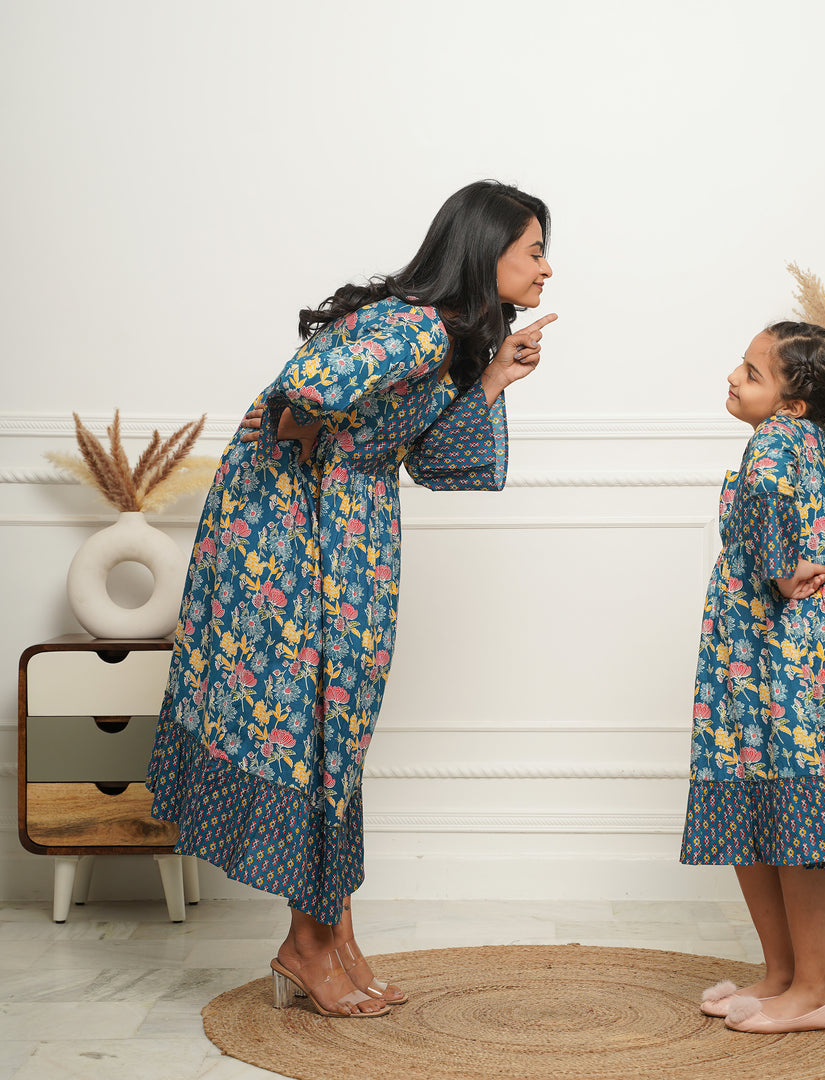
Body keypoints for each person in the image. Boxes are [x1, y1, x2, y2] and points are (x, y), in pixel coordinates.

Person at [146, 181, 556, 1017]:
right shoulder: (410, 327)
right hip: (292, 535)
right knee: (316, 727)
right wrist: (300, 426)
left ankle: (331, 935)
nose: (548, 268)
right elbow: (305, 383)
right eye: (535, 249)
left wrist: (493, 380)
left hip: (351, 527)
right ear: (487, 252)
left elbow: (432, 461)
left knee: (337, 728)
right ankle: (308, 945)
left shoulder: (445, 337)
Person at [680, 322, 825, 1034]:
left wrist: (774, 568)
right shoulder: (792, 438)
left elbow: (766, 501)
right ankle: (782, 974)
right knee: (760, 811)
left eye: (753, 372)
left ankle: (816, 991)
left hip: (793, 657)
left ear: (794, 404)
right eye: (741, 364)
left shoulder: (774, 440)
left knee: (794, 818)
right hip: (764, 654)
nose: (735, 377)